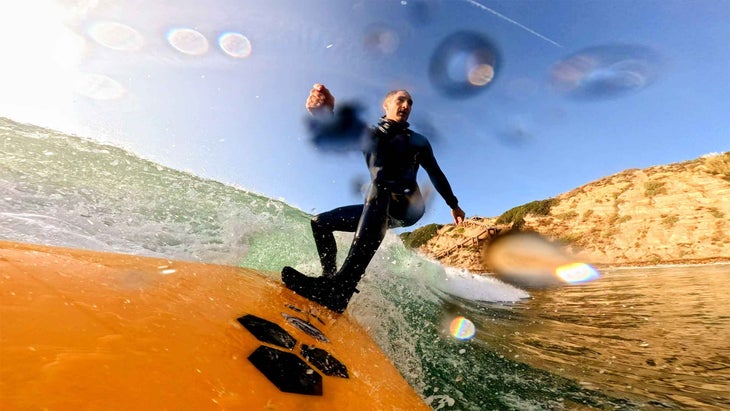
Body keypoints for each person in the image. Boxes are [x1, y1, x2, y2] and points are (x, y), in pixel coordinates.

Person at [282, 84, 465, 313]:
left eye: (410, 103)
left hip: (409, 207)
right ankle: (328, 279)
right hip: (379, 204)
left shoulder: (418, 141)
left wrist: (453, 205)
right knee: (320, 223)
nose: (406, 105)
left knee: (379, 185)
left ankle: (341, 289)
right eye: (401, 100)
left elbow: (435, 173)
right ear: (386, 105)